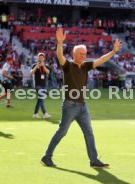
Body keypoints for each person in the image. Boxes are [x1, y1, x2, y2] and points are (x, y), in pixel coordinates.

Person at [41, 28, 122, 168]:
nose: (83, 56)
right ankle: (46, 157)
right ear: (74, 54)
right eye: (80, 54)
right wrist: (60, 42)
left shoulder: (85, 66)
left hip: (82, 106)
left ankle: (94, 160)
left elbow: (101, 60)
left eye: (85, 54)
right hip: (70, 105)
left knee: (89, 132)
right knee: (62, 131)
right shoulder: (68, 66)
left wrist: (114, 51)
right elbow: (60, 56)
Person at [30, 53, 51, 119]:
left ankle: (35, 114)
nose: (40, 59)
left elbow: (48, 72)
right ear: (37, 58)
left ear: (44, 59)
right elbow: (31, 73)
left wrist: (43, 66)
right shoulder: (34, 65)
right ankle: (45, 113)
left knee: (40, 100)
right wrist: (37, 66)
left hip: (44, 85)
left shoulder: (46, 65)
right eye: (39, 58)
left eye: (42, 58)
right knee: (41, 99)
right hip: (37, 85)